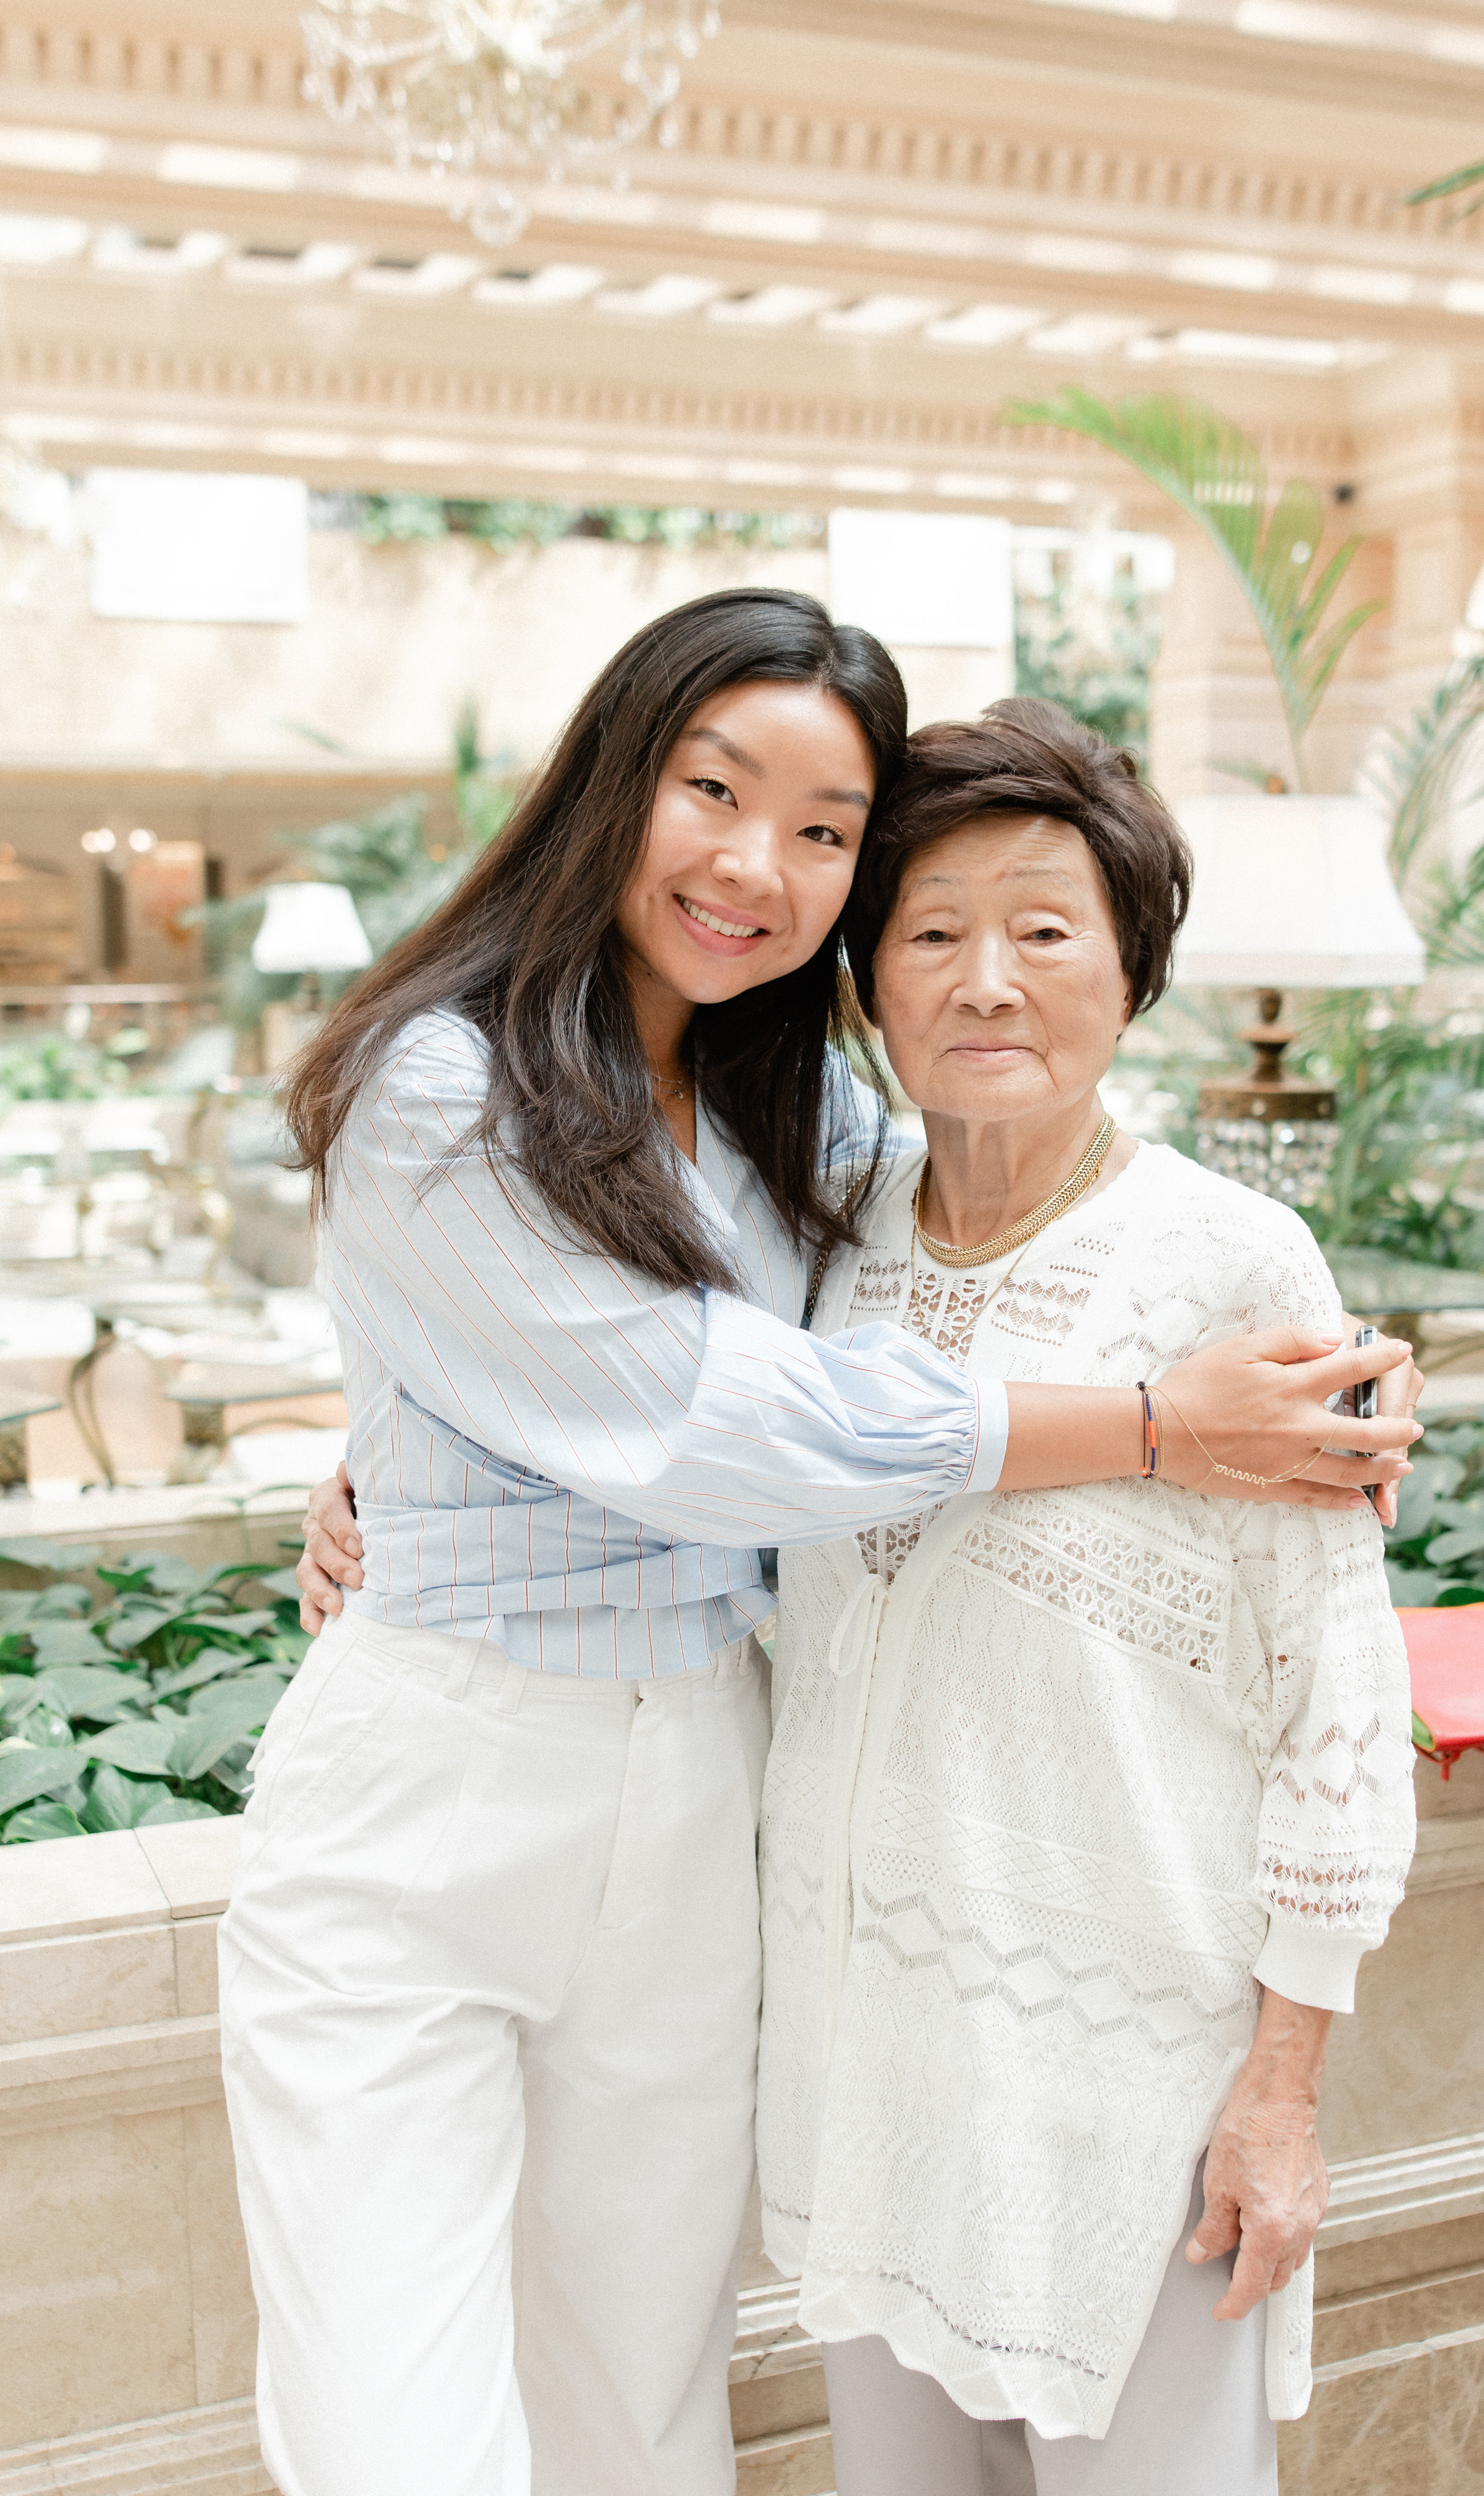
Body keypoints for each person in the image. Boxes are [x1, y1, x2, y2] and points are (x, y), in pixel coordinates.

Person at [257, 587, 1418, 2496]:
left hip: (707, 1790)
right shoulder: (439, 1081)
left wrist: (1346, 1393)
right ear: (615, 782)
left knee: (641, 2396)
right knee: (395, 2419)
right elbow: (713, 1422)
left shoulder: (797, 1134)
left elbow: (1031, 1211)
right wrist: (1152, 1426)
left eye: (820, 834)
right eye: (717, 790)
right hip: (443, 1783)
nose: (757, 865)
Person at [755, 698, 1417, 2496]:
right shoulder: (821, 1228)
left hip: (1132, 2085)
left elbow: (1338, 1701)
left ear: (1130, 975)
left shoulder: (1229, 1257)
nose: (987, 981)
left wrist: (1280, 2095)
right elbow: (658, 1429)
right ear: (867, 982)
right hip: (872, 2062)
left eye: (1046, 930)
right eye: (932, 931)